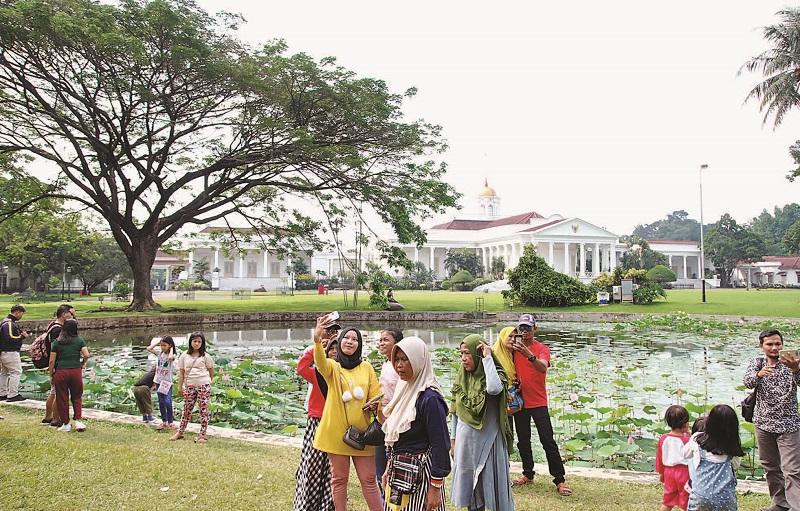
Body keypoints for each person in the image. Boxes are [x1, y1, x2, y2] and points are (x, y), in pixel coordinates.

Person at [312, 319, 383, 511]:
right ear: (340, 341)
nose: (350, 342)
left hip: (363, 434)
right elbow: (319, 363)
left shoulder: (366, 368)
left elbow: (376, 395)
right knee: (339, 479)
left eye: (355, 339)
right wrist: (317, 340)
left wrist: (375, 405)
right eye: (347, 338)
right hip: (336, 434)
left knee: (369, 480)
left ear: (359, 345)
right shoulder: (333, 368)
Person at [381, 335, 450, 511]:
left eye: (405, 359)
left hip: (421, 476)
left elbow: (440, 444)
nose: (399, 365)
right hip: (400, 471)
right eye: (396, 359)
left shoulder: (430, 399)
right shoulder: (404, 389)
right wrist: (389, 469)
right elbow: (396, 438)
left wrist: (435, 487)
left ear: (419, 360)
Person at [505, 313, 572, 496]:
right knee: (523, 440)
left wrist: (529, 355)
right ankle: (528, 474)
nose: (524, 331)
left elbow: (543, 367)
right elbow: (500, 355)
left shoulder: (541, 348)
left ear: (535, 329)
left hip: (538, 402)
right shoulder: (513, 350)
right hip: (520, 402)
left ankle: (559, 480)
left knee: (547, 441)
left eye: (528, 328)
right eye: (521, 328)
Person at [450, 334, 514, 511]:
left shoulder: (494, 373)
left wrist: (487, 358)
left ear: (477, 354)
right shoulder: (462, 377)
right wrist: (453, 441)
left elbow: (494, 389)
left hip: (489, 442)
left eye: (467, 353)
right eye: (461, 354)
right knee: (471, 492)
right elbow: (455, 411)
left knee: (490, 490)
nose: (463, 358)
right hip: (466, 442)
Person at [743, 329, 800, 511]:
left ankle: (796, 507)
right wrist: (758, 375)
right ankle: (780, 503)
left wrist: (796, 369)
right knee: (770, 467)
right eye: (769, 344)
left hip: (789, 425)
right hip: (763, 423)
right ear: (762, 346)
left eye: (777, 344)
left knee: (792, 470)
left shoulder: (793, 362)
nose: (774, 348)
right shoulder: (757, 363)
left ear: (782, 345)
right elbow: (747, 381)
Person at [293, 322, 340, 511]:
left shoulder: (343, 374)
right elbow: (302, 367)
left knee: (332, 468)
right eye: (332, 349)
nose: (334, 352)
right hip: (317, 420)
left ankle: (328, 505)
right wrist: (318, 343)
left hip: (336, 423)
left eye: (338, 349)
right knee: (312, 464)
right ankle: (307, 504)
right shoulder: (317, 373)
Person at [681, 404, 743, 511]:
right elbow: (736, 466)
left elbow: (685, 454)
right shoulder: (732, 450)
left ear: (709, 423)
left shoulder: (697, 439)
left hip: (700, 497)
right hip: (725, 500)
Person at [171, 332, 214, 443]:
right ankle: (180, 432)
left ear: (202, 343)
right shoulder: (184, 356)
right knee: (186, 409)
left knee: (203, 410)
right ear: (190, 342)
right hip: (189, 385)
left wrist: (207, 383)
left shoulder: (206, 356)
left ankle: (202, 434)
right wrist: (180, 387)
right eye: (195, 341)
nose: (197, 343)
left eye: (199, 342)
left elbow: (211, 371)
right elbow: (181, 373)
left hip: (203, 384)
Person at [48, 319, 89, 432]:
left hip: (61, 372)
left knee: (62, 398)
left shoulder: (57, 342)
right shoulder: (79, 340)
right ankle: (78, 421)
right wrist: (82, 363)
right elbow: (86, 354)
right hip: (75, 371)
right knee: (77, 396)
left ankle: (66, 424)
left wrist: (51, 374)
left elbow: (51, 361)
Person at [376, 328, 403, 490]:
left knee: (392, 466)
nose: (381, 343)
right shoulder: (386, 364)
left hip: (396, 423)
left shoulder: (401, 367)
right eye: (380, 340)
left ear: (397, 344)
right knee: (380, 467)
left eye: (385, 340)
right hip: (381, 420)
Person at [41, 304, 73, 425]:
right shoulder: (58, 329)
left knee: (53, 392)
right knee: (58, 393)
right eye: (71, 314)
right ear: (64, 314)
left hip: (55, 364)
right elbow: (56, 349)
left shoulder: (52, 326)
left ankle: (48, 417)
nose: (72, 316)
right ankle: (56, 419)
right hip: (59, 365)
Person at [656, 405, 691, 511]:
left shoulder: (663, 438)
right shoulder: (687, 441)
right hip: (684, 472)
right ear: (685, 423)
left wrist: (661, 473)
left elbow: (660, 458)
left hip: (668, 472)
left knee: (667, 501)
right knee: (685, 503)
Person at [0, 304, 29, 402]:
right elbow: (9, 337)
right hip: (10, 352)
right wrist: (22, 336)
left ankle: (2, 393)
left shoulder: (5, 322)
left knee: (4, 373)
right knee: (16, 372)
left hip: (4, 352)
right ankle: (13, 394)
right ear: (17, 312)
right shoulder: (8, 323)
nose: (21, 316)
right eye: (21, 313)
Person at [148, 336, 177, 430]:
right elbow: (149, 348)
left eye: (164, 345)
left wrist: (171, 349)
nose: (162, 347)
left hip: (167, 382)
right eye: (161, 345)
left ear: (170, 345)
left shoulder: (173, 355)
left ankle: (171, 422)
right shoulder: (159, 353)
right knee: (161, 402)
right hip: (158, 381)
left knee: (168, 402)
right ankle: (164, 421)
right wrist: (157, 343)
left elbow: (170, 357)